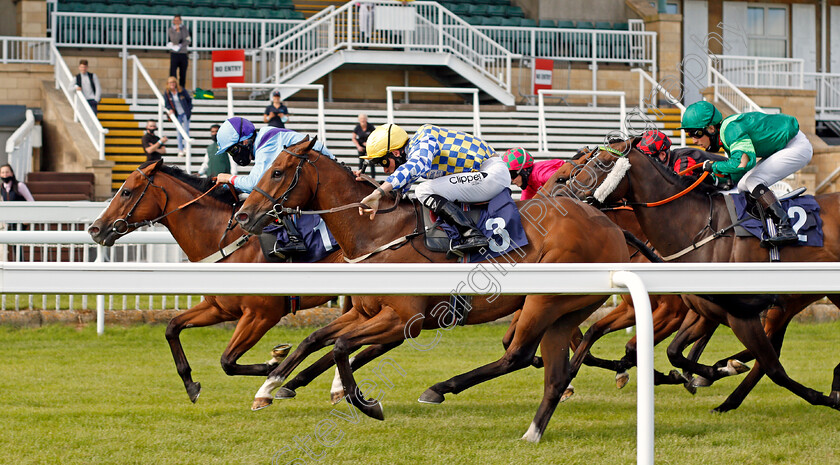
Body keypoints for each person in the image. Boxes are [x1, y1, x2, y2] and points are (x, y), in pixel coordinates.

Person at [358, 123, 510, 253]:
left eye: (383, 163)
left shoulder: (424, 138)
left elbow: (415, 166)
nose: (385, 170)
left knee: (424, 190)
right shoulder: (416, 149)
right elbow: (404, 181)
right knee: (425, 188)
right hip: (486, 174)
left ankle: (472, 234)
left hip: (491, 173)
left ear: (396, 153)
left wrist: (378, 193)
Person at [679, 101, 813, 246]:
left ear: (711, 128)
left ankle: (785, 227)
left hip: (796, 146)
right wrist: (712, 179)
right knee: (743, 185)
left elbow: (742, 163)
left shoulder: (731, 130)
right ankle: (762, 224)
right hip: (783, 146)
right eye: (689, 134)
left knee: (753, 181)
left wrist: (712, 166)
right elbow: (737, 175)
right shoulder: (726, 135)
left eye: (695, 133)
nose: (693, 140)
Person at [214, 117, 334, 255]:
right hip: (318, 171)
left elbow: (254, 184)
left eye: (233, 151)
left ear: (245, 141)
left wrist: (229, 178)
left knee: (273, 193)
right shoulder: (264, 142)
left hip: (323, 175)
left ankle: (296, 239)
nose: (234, 156)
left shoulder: (267, 142)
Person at [501, 147, 566, 201]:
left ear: (524, 170)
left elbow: (564, 182)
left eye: (512, 175)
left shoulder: (541, 174)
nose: (512, 180)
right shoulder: (528, 185)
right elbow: (524, 206)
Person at [164, 76, 192, 157]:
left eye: (173, 82)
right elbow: (167, 103)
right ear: (168, 84)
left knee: (186, 130)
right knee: (179, 131)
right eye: (170, 83)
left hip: (185, 112)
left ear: (175, 83)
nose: (172, 84)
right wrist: (170, 109)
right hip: (177, 114)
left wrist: (189, 109)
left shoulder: (181, 90)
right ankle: (180, 149)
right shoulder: (167, 93)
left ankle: (186, 148)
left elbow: (189, 100)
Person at [167, 14, 191, 89]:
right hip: (175, 53)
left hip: (183, 53)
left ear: (180, 21)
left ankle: (182, 89)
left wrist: (180, 45)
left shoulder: (184, 29)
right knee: (173, 72)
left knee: (183, 73)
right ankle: (172, 88)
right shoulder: (171, 29)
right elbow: (174, 40)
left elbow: (188, 40)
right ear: (173, 21)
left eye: (178, 20)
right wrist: (177, 32)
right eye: (175, 20)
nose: (177, 22)